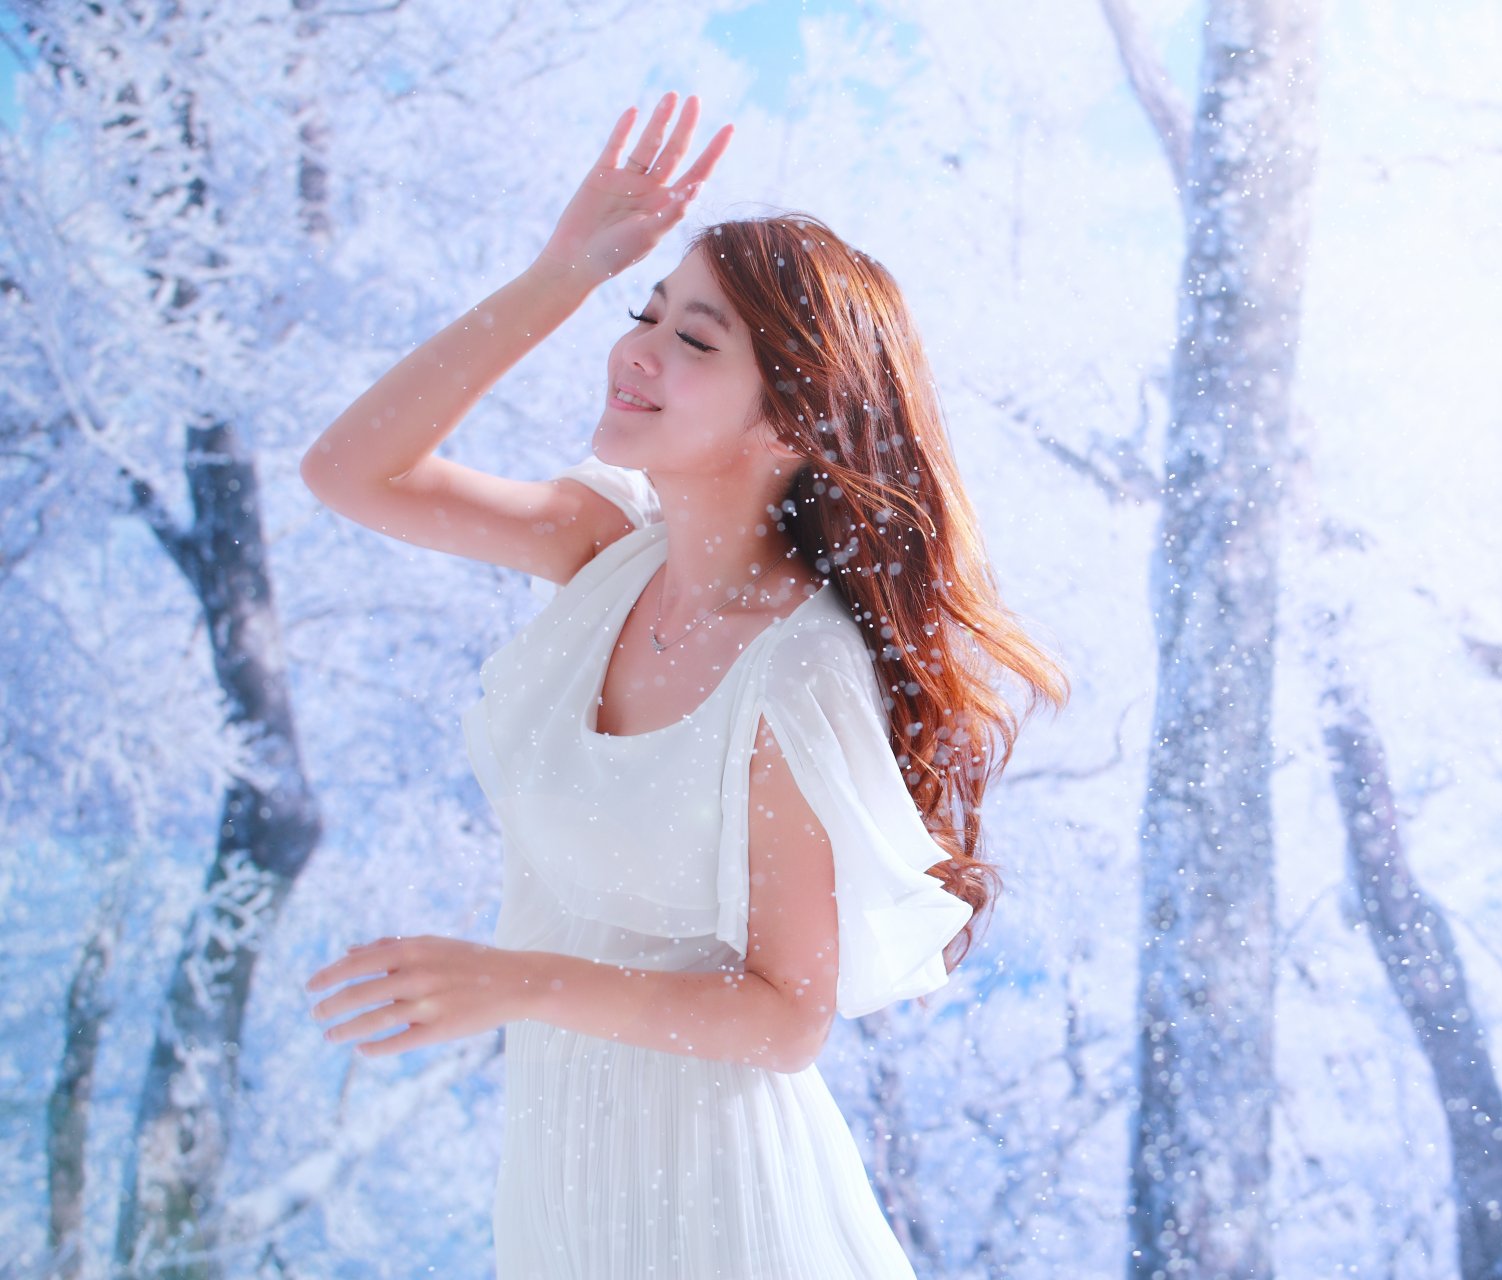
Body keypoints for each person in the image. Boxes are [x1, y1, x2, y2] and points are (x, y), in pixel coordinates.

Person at [298, 92, 1068, 1277]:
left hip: (724, 1210)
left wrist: (515, 981)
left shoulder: (794, 668)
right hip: (564, 1188)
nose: (637, 350)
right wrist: (563, 271)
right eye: (644, 312)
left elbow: (786, 1013)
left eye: (696, 341)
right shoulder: (607, 548)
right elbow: (350, 470)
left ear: (794, 422)